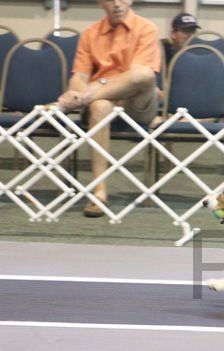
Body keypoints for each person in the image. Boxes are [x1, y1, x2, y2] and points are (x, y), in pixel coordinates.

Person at [56, 0, 160, 218]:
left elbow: (137, 77)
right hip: (102, 102)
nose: (117, 4)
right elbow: (79, 76)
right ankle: (99, 192)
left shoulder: (146, 28)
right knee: (101, 106)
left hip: (136, 103)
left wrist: (90, 91)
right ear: (100, 3)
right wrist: (77, 91)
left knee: (143, 74)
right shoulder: (90, 33)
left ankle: (84, 99)